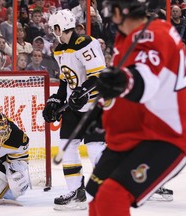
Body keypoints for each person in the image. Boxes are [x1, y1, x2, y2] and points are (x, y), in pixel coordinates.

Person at [86, 1, 186, 215]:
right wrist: (102, 112)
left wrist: (122, 80)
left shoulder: (154, 34)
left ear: (118, 12)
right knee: (96, 195)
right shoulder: (128, 36)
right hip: (135, 131)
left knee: (112, 194)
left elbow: (144, 79)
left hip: (167, 137)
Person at [43, 9, 106, 210]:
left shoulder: (86, 44)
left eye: (54, 28)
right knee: (66, 146)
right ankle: (76, 192)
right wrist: (55, 100)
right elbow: (65, 81)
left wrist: (84, 91)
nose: (53, 32)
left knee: (95, 149)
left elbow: (98, 76)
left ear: (59, 27)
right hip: (74, 106)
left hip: (94, 105)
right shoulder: (59, 50)